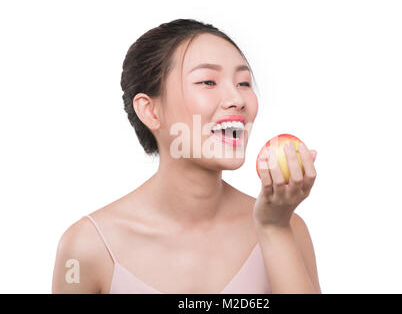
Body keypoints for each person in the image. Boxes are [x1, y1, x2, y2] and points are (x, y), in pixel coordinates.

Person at [51, 18, 321, 294]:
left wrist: (275, 228)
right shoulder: (85, 246)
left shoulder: (287, 227)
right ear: (150, 111)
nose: (237, 99)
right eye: (208, 81)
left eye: (243, 82)